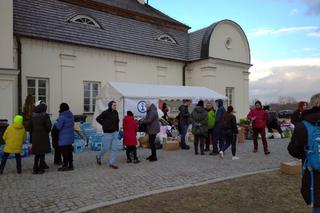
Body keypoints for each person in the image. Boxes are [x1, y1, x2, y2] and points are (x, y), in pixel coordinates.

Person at [288, 93, 320, 212]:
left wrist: (307, 155)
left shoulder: (303, 125)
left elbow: (292, 149)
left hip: (313, 175)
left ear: (312, 104)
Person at [96, 101, 120, 169]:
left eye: (116, 105)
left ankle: (112, 163)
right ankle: (98, 156)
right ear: (110, 105)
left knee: (114, 148)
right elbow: (97, 119)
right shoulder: (105, 112)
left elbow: (117, 121)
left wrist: (117, 129)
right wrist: (104, 124)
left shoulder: (116, 112)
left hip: (115, 132)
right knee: (106, 148)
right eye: (114, 105)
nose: (115, 106)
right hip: (107, 133)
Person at [30, 101, 52, 174]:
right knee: (42, 153)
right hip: (43, 136)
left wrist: (32, 134)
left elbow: (30, 126)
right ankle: (40, 169)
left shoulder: (32, 115)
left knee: (37, 153)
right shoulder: (45, 115)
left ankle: (35, 168)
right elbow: (48, 126)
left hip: (35, 136)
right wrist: (47, 131)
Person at [54, 103, 74, 171]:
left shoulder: (62, 116)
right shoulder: (71, 115)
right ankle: (71, 165)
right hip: (70, 136)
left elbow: (58, 127)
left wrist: (56, 123)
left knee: (64, 152)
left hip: (63, 137)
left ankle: (65, 165)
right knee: (69, 151)